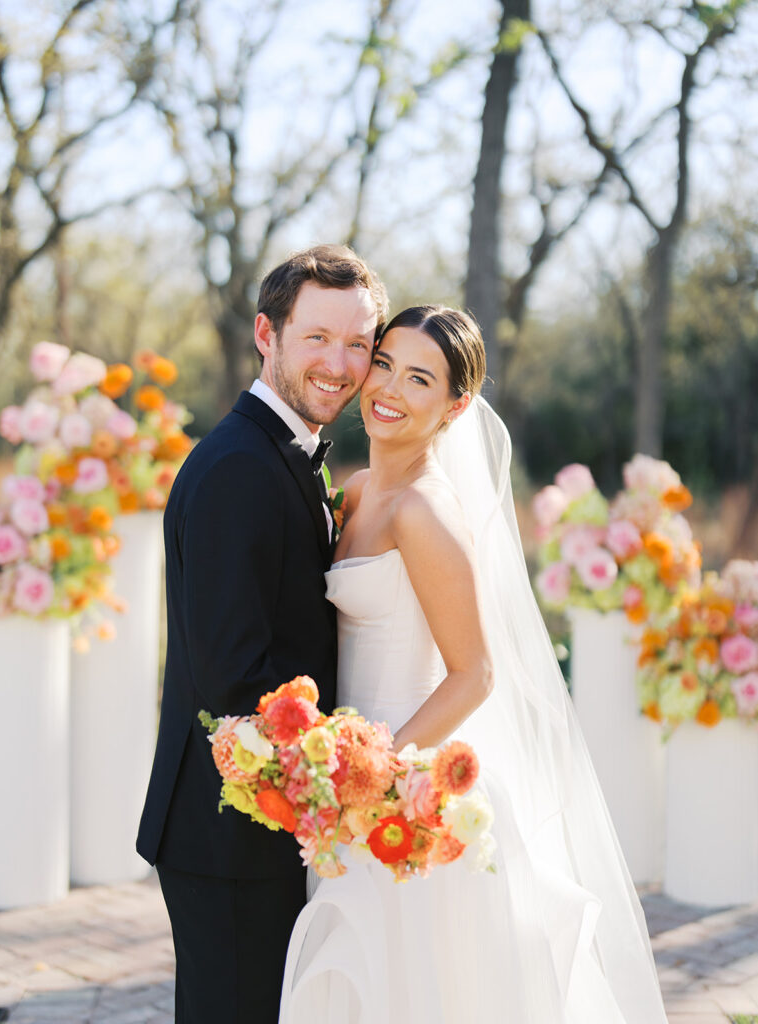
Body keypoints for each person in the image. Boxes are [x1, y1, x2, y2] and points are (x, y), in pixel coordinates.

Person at [279, 306, 669, 1023]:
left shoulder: (424, 510)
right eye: (385, 363)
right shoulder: (360, 489)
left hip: (405, 781)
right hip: (346, 777)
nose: (387, 388)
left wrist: (377, 775)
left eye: (418, 378)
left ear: (455, 406)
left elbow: (475, 673)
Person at [136, 244, 389, 1024]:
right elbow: (234, 675)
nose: (338, 364)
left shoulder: (282, 454)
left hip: (261, 825)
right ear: (265, 334)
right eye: (316, 337)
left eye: (357, 344)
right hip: (231, 834)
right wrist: (351, 768)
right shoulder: (241, 467)